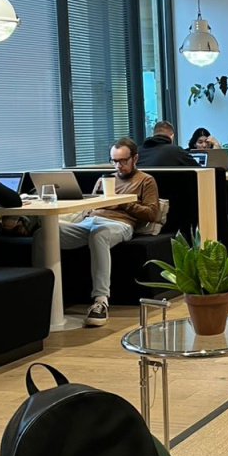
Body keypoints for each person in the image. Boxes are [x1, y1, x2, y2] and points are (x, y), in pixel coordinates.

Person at [58, 137, 160, 327]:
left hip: (119, 224)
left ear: (135, 158)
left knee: (100, 233)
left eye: (123, 161)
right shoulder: (104, 179)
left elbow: (152, 214)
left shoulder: (146, 180)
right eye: (114, 161)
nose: (118, 165)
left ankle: (101, 301)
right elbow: (90, 207)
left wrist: (122, 202)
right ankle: (45, 297)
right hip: (89, 222)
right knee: (45, 234)